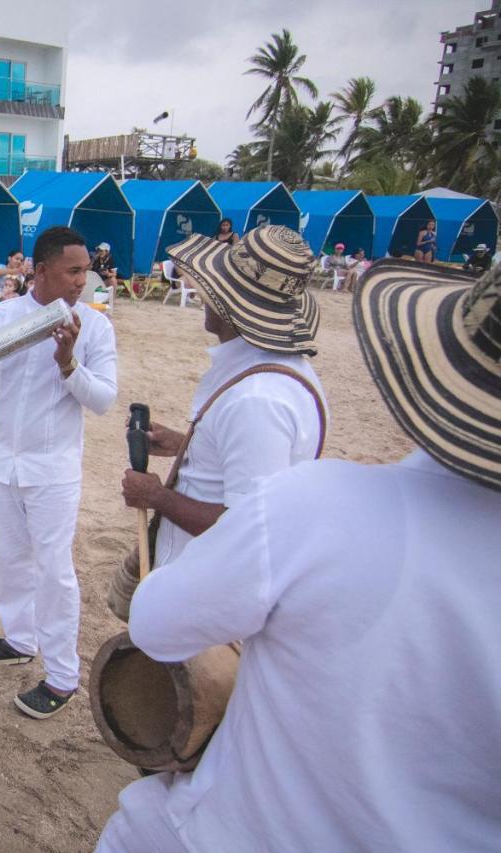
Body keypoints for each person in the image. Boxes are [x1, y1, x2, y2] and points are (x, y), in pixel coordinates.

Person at [96, 262, 501, 853]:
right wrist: (191, 445)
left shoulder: (321, 498)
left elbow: (160, 622)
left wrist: (158, 498)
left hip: (239, 827)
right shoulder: (285, 382)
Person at [112, 225, 327, 619]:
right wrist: (187, 444)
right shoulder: (274, 373)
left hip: (209, 599)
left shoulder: (258, 399)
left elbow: (246, 530)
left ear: (229, 304)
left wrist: (157, 497)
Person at [0, 226, 118, 719]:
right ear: (39, 271)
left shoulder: (94, 327)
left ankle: (64, 676)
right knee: (9, 558)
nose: (81, 280)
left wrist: (68, 363)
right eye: (73, 270)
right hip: (2, 461)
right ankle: (20, 639)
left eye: (85, 270)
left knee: (54, 571)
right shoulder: (1, 318)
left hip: (53, 469)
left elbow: (105, 399)